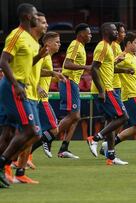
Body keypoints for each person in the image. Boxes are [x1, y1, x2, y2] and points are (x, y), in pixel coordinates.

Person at [0, 3, 44, 188]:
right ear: (27, 16)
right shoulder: (16, 35)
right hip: (13, 86)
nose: (37, 18)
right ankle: (3, 163)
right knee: (31, 130)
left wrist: (38, 57)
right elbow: (3, 61)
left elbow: (26, 65)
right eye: (35, 15)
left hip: (22, 86)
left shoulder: (31, 40)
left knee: (10, 132)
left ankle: (3, 168)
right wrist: (16, 85)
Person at [87, 23, 129, 165]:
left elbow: (107, 69)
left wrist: (124, 70)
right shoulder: (103, 46)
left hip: (107, 88)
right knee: (123, 117)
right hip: (106, 90)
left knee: (111, 121)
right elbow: (94, 68)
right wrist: (101, 91)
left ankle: (111, 157)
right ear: (105, 31)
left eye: (117, 30)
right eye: (114, 30)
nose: (116, 32)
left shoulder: (109, 47)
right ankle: (95, 138)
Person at [57, 23, 92, 159]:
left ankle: (64, 148)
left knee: (76, 117)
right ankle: (47, 137)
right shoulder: (76, 44)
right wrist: (86, 67)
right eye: (88, 33)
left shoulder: (81, 47)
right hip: (69, 81)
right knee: (74, 116)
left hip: (74, 83)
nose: (90, 35)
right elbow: (67, 64)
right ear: (81, 34)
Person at [30, 31, 63, 158]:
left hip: (41, 98)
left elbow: (40, 73)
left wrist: (55, 76)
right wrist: (38, 87)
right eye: (57, 42)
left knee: (34, 132)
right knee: (54, 129)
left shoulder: (47, 56)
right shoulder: (43, 55)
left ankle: (25, 156)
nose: (59, 44)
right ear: (48, 43)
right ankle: (25, 154)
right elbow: (32, 72)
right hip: (40, 98)